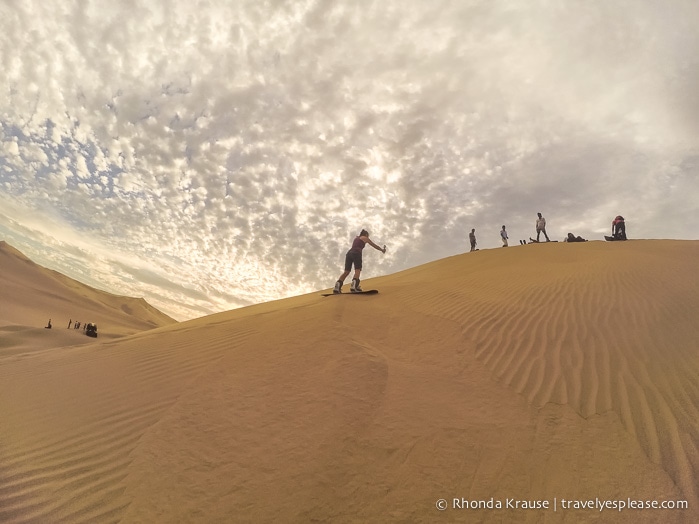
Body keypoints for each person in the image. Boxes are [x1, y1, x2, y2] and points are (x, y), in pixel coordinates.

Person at [334, 229, 386, 293]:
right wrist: (382, 250)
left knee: (346, 271)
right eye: (368, 236)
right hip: (356, 253)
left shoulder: (356, 238)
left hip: (349, 253)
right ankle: (354, 286)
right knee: (357, 269)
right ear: (366, 235)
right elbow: (374, 245)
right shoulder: (365, 238)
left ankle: (337, 287)